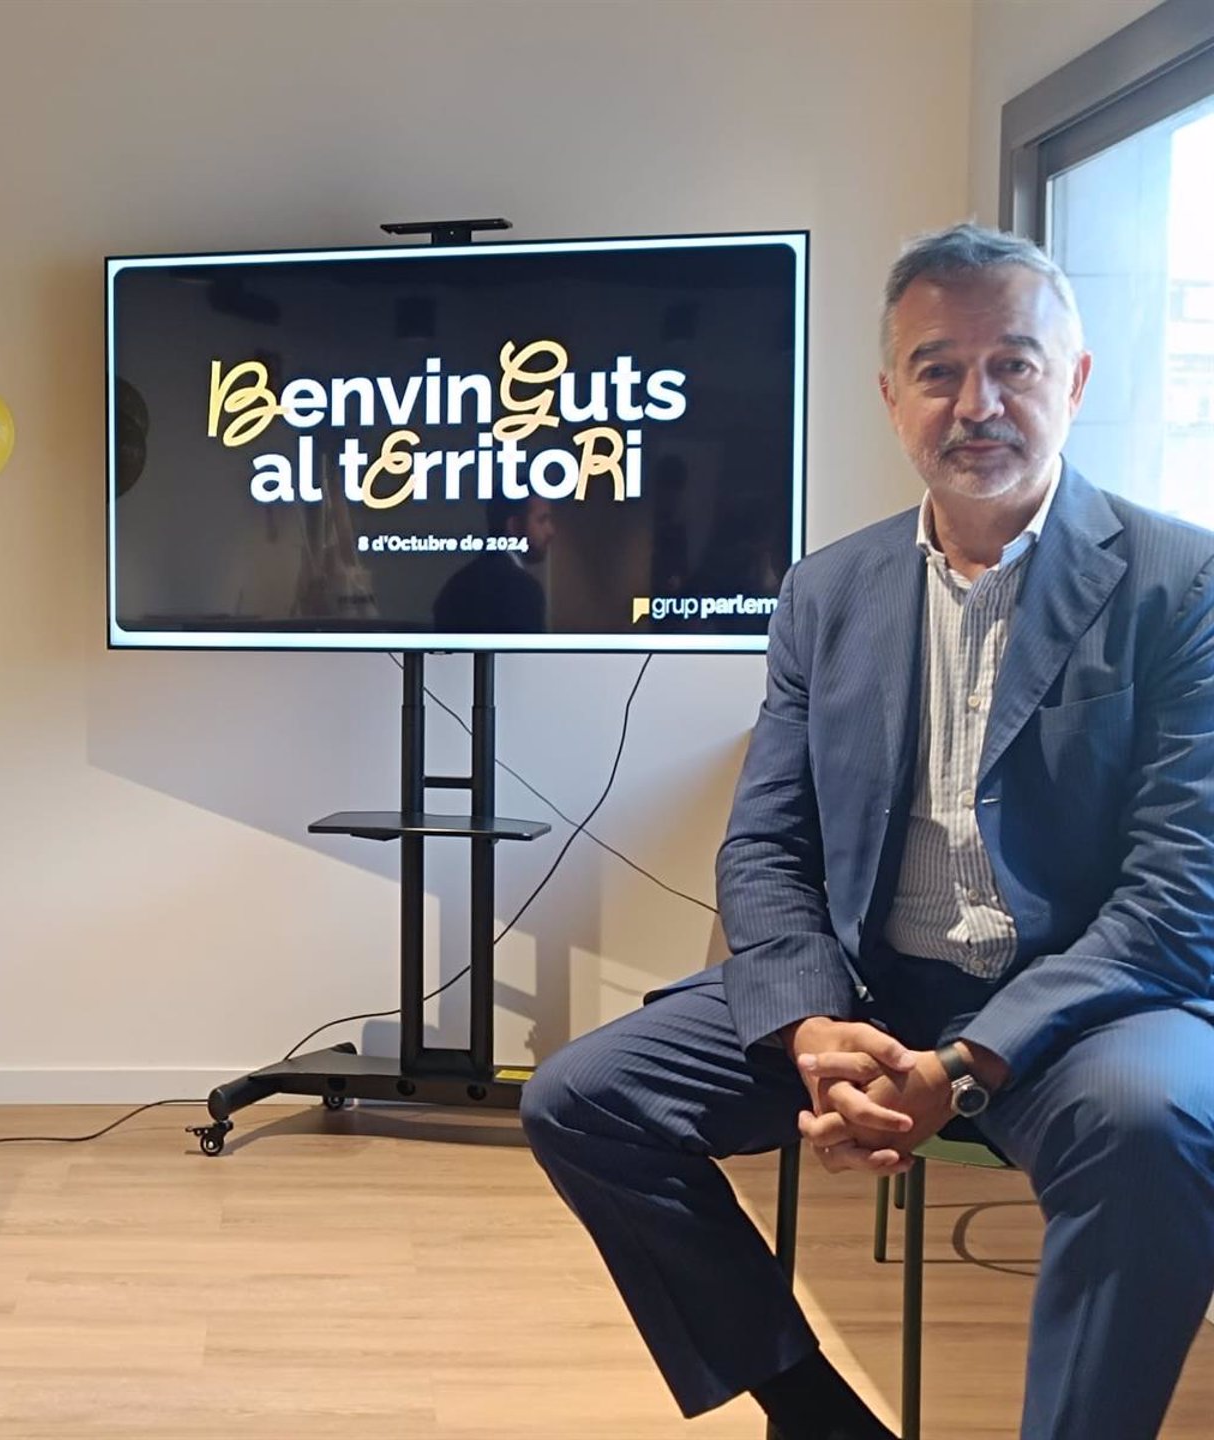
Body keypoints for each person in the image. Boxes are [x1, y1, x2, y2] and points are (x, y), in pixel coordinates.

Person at [519, 222, 1214, 1440]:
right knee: (583, 1098)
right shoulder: (826, 590)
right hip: (871, 989)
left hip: (1086, 1010)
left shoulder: (1182, 582)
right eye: (939, 370)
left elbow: (1180, 892)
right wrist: (811, 1026)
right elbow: (766, 847)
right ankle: (816, 1419)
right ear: (892, 397)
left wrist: (962, 1066)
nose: (977, 404)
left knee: (1155, 1127)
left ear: (1076, 380)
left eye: (1014, 365)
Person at [431, 492, 556, 633]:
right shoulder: (524, 591)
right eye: (542, 520)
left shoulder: (455, 585)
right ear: (514, 526)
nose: (551, 531)